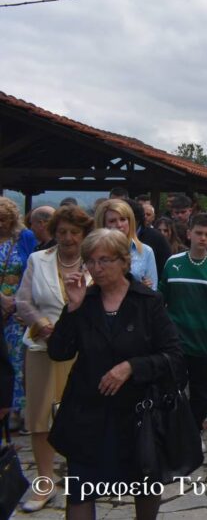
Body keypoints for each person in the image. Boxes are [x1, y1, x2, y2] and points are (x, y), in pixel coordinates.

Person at [47, 229, 184, 520]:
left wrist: (132, 367)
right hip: (87, 411)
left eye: (104, 260)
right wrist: (71, 308)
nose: (96, 268)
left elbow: (173, 356)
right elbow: (58, 352)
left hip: (137, 414)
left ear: (124, 262)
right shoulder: (85, 301)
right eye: (91, 261)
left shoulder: (149, 302)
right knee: (81, 489)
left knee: (145, 486)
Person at [15, 204, 93, 512]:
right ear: (53, 232)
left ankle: (83, 483)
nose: (68, 238)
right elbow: (22, 300)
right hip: (42, 349)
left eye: (74, 232)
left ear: (84, 234)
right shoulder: (38, 260)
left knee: (80, 418)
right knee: (40, 421)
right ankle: (44, 485)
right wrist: (42, 325)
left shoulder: (93, 264)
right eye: (62, 232)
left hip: (82, 352)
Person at [160, 213, 207, 434]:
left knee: (201, 395)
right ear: (189, 233)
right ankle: (173, 432)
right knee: (173, 390)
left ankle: (192, 433)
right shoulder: (172, 264)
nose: (203, 238)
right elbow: (161, 304)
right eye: (199, 233)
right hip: (176, 343)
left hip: (205, 343)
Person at [0, 196, 36, 429]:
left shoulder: (24, 238)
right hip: (2, 301)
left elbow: (32, 267)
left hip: (17, 308)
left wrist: (21, 302)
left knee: (16, 360)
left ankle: (17, 410)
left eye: (4, 219)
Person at [95, 199, 159, 290]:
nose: (119, 225)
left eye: (123, 219)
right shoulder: (95, 251)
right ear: (103, 224)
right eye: (112, 221)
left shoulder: (145, 251)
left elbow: (152, 290)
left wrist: (143, 290)